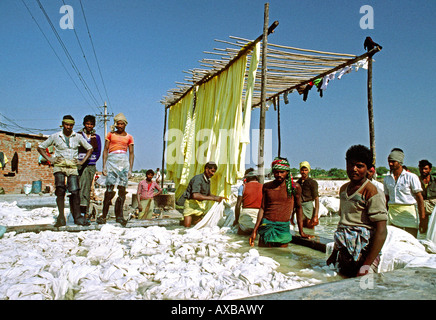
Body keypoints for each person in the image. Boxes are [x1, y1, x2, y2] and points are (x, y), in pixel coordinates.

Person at [326, 145, 387, 277]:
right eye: (351, 164)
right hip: (345, 252)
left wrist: (367, 265)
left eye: (359, 166)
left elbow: (381, 231)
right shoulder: (343, 190)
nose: (354, 169)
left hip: (365, 253)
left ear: (368, 169)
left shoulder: (372, 192)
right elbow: (343, 224)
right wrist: (334, 253)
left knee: (365, 290)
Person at [38, 115, 93, 227]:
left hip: (72, 166)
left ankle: (77, 217)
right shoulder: (55, 136)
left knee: (75, 191)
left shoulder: (77, 137)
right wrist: (50, 159)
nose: (68, 127)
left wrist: (82, 162)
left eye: (71, 125)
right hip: (59, 166)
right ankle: (61, 217)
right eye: (66, 125)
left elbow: (90, 148)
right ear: (63, 124)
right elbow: (40, 147)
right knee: (60, 190)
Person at [249, 157, 311, 248]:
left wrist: (301, 232)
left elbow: (298, 208)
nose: (279, 175)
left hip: (283, 227)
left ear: (287, 172)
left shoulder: (294, 187)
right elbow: (262, 208)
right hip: (267, 226)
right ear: (273, 172)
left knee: (283, 258)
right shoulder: (267, 187)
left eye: (282, 172)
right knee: (263, 257)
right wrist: (255, 230)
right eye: (276, 172)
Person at [97, 113, 134, 226]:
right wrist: (104, 166)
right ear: (116, 124)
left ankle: (120, 216)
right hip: (112, 161)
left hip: (123, 162)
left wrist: (130, 170)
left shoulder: (129, 137)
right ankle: (104, 215)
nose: (120, 125)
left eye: (122, 123)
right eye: (118, 123)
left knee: (122, 190)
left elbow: (131, 153)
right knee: (109, 190)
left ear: (125, 125)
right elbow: (105, 150)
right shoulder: (110, 135)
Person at [383, 148, 426, 237]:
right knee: (393, 240)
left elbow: (419, 198)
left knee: (410, 239)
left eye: (393, 161)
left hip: (408, 215)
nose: (390, 164)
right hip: (392, 214)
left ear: (400, 162)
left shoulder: (411, 177)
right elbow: (386, 199)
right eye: (389, 161)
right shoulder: (387, 179)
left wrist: (422, 219)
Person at [176, 161, 226, 227]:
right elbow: (195, 195)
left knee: (199, 225)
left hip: (198, 205)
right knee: (187, 227)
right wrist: (214, 198)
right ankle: (183, 223)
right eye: (212, 171)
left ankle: (184, 222)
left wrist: (218, 197)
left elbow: (208, 194)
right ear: (207, 169)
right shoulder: (198, 179)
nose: (213, 174)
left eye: (214, 172)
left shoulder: (207, 180)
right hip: (190, 204)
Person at [77, 115, 101, 220]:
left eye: (91, 124)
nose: (89, 126)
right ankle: (78, 211)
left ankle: (85, 212)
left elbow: (98, 151)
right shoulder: (78, 135)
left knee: (87, 189)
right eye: (87, 124)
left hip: (91, 165)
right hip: (80, 165)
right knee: (79, 188)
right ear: (84, 124)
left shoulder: (96, 137)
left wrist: (92, 161)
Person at [234, 169, 263, 235]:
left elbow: (238, 205)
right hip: (259, 218)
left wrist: (236, 220)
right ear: (256, 177)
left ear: (246, 178)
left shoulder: (243, 187)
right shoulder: (263, 187)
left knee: (240, 237)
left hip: (245, 217)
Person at [295, 161, 319, 229]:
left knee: (310, 225)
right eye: (302, 170)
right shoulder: (297, 183)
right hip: (299, 206)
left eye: (306, 170)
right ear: (300, 171)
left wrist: (316, 215)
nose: (304, 172)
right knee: (301, 226)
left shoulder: (312, 182)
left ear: (308, 171)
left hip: (308, 206)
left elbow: (316, 199)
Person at [418, 159, 436, 226]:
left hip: (433, 209)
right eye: (422, 169)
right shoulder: (416, 181)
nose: (423, 171)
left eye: (426, 169)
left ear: (430, 170)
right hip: (420, 209)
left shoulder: (435, 180)